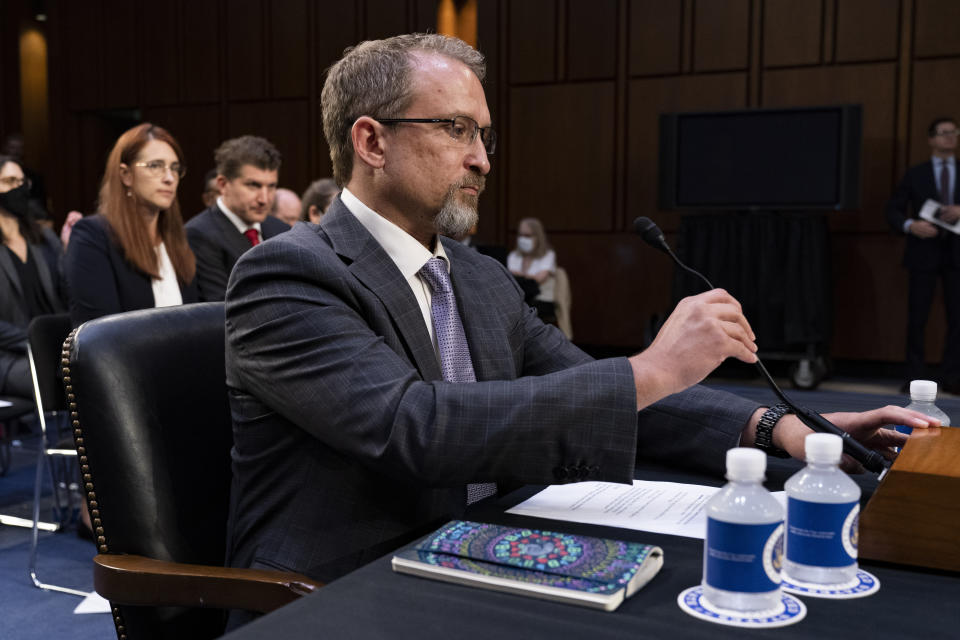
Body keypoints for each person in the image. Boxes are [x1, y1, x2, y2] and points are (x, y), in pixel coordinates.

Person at [223, 34, 931, 593]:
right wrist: (652, 368)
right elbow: (417, 429)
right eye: (457, 129)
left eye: (485, 137)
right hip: (341, 583)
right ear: (372, 141)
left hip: (484, 549)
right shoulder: (288, 272)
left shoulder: (479, 278)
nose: (482, 160)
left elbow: (591, 390)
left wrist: (782, 428)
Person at [63, 123, 198, 327]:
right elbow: (99, 334)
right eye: (155, 166)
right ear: (126, 175)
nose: (170, 178)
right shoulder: (92, 236)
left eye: (175, 168)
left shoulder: (179, 239)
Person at [885, 117, 960, 392]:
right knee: (917, 317)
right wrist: (910, 225)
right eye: (944, 133)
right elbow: (892, 209)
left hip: (956, 254)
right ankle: (914, 377)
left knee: (957, 318)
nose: (950, 137)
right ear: (931, 139)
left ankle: (953, 378)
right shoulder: (916, 173)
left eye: (954, 132)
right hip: (923, 252)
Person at [185, 136, 289, 302]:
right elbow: (221, 307)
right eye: (253, 185)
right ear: (223, 184)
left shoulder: (282, 229)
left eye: (271, 186)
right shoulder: (198, 234)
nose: (264, 198)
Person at [0, 156, 66, 397]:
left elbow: (67, 293)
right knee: (51, 376)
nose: (18, 188)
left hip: (57, 346)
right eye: (9, 181)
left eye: (22, 182)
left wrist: (71, 254)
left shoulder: (44, 239)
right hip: (10, 355)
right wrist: (37, 340)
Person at [508, 217, 556, 319]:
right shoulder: (514, 256)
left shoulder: (548, 255)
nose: (523, 239)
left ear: (538, 237)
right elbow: (511, 278)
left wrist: (520, 276)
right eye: (520, 235)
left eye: (527, 236)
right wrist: (529, 277)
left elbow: (540, 279)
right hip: (518, 300)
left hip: (541, 300)